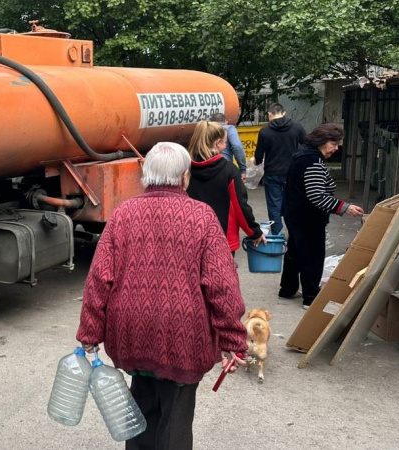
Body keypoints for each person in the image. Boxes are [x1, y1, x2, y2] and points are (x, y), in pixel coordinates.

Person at [76, 142, 248, 450]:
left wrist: (90, 333)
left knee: (141, 408)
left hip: (131, 331)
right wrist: (233, 340)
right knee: (176, 419)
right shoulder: (202, 217)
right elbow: (222, 285)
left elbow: (99, 279)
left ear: (146, 175)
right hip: (183, 336)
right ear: (184, 177)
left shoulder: (123, 213)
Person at [280, 124, 364, 309]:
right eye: (333, 143)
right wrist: (344, 207)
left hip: (295, 213)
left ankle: (287, 289)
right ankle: (310, 298)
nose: (336, 148)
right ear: (321, 140)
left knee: (295, 251)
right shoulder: (312, 161)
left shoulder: (303, 155)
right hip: (307, 217)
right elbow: (317, 195)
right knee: (312, 256)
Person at [186, 120, 266, 254]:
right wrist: (255, 232)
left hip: (192, 236)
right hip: (223, 237)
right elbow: (240, 206)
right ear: (217, 143)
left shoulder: (186, 169)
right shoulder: (229, 170)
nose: (226, 144)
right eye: (225, 141)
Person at [254, 103, 306, 235]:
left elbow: (259, 156)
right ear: (284, 113)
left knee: (274, 205)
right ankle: (295, 232)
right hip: (293, 172)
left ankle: (278, 235)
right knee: (294, 202)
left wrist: (258, 162)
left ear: (269, 114)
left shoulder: (264, 131)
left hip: (272, 173)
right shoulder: (297, 128)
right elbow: (306, 146)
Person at [209, 112, 248, 180]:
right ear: (226, 122)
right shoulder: (229, 128)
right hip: (224, 168)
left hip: (207, 167)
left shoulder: (206, 130)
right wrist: (242, 170)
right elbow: (237, 146)